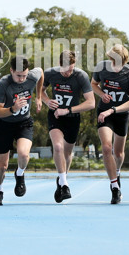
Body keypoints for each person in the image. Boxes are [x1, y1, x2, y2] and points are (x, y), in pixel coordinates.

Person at [41, 50, 95, 203]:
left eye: (71, 69)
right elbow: (40, 90)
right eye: (65, 69)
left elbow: (91, 103)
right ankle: (64, 184)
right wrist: (46, 101)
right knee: (58, 147)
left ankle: (61, 178)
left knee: (67, 153)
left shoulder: (81, 76)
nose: (67, 73)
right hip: (55, 115)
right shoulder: (50, 73)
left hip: (72, 117)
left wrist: (69, 110)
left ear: (74, 65)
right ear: (59, 65)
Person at [91, 44, 129, 204]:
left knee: (118, 153)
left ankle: (116, 173)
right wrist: (101, 94)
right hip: (104, 113)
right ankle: (114, 187)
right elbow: (93, 84)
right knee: (106, 148)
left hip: (121, 114)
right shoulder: (102, 67)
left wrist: (113, 109)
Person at [0, 56, 43, 205]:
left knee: (24, 154)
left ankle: (19, 174)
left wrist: (39, 97)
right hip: (4, 124)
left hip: (24, 123)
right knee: (2, 166)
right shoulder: (3, 84)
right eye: (18, 75)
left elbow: (41, 72)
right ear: (11, 71)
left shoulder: (32, 77)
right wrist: (13, 108)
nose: (22, 79)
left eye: (24, 75)